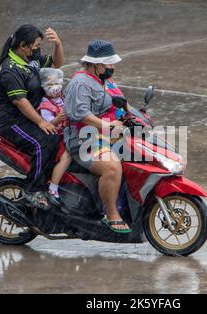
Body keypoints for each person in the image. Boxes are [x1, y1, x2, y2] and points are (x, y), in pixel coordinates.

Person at [64, 40, 131, 233]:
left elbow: (121, 101)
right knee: (112, 167)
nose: (112, 67)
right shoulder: (80, 83)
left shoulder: (105, 80)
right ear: (96, 65)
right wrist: (107, 126)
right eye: (109, 64)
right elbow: (81, 114)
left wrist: (134, 115)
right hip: (83, 138)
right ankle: (111, 215)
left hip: (107, 133)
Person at [0, 24, 65, 209]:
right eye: (35, 46)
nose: (37, 50)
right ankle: (33, 190)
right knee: (45, 142)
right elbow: (20, 101)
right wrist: (42, 122)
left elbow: (57, 64)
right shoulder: (10, 69)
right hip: (14, 122)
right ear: (23, 45)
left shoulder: (30, 58)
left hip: (32, 115)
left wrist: (58, 44)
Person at [37, 67, 72, 207]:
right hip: (58, 137)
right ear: (42, 86)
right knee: (68, 155)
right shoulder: (45, 104)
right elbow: (47, 124)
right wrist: (58, 119)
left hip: (71, 132)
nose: (54, 88)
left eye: (57, 83)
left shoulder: (63, 97)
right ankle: (53, 187)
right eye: (49, 85)